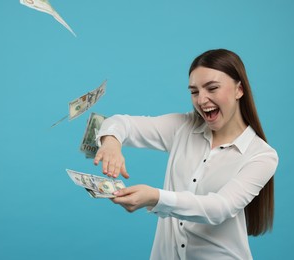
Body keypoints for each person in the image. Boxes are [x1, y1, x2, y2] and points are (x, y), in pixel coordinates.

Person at [93, 49, 278, 260]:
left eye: (212, 88)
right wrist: (111, 143)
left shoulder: (262, 156)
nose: (202, 99)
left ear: (239, 89)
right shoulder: (183, 127)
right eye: (194, 91)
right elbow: (120, 122)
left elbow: (219, 208)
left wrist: (156, 197)